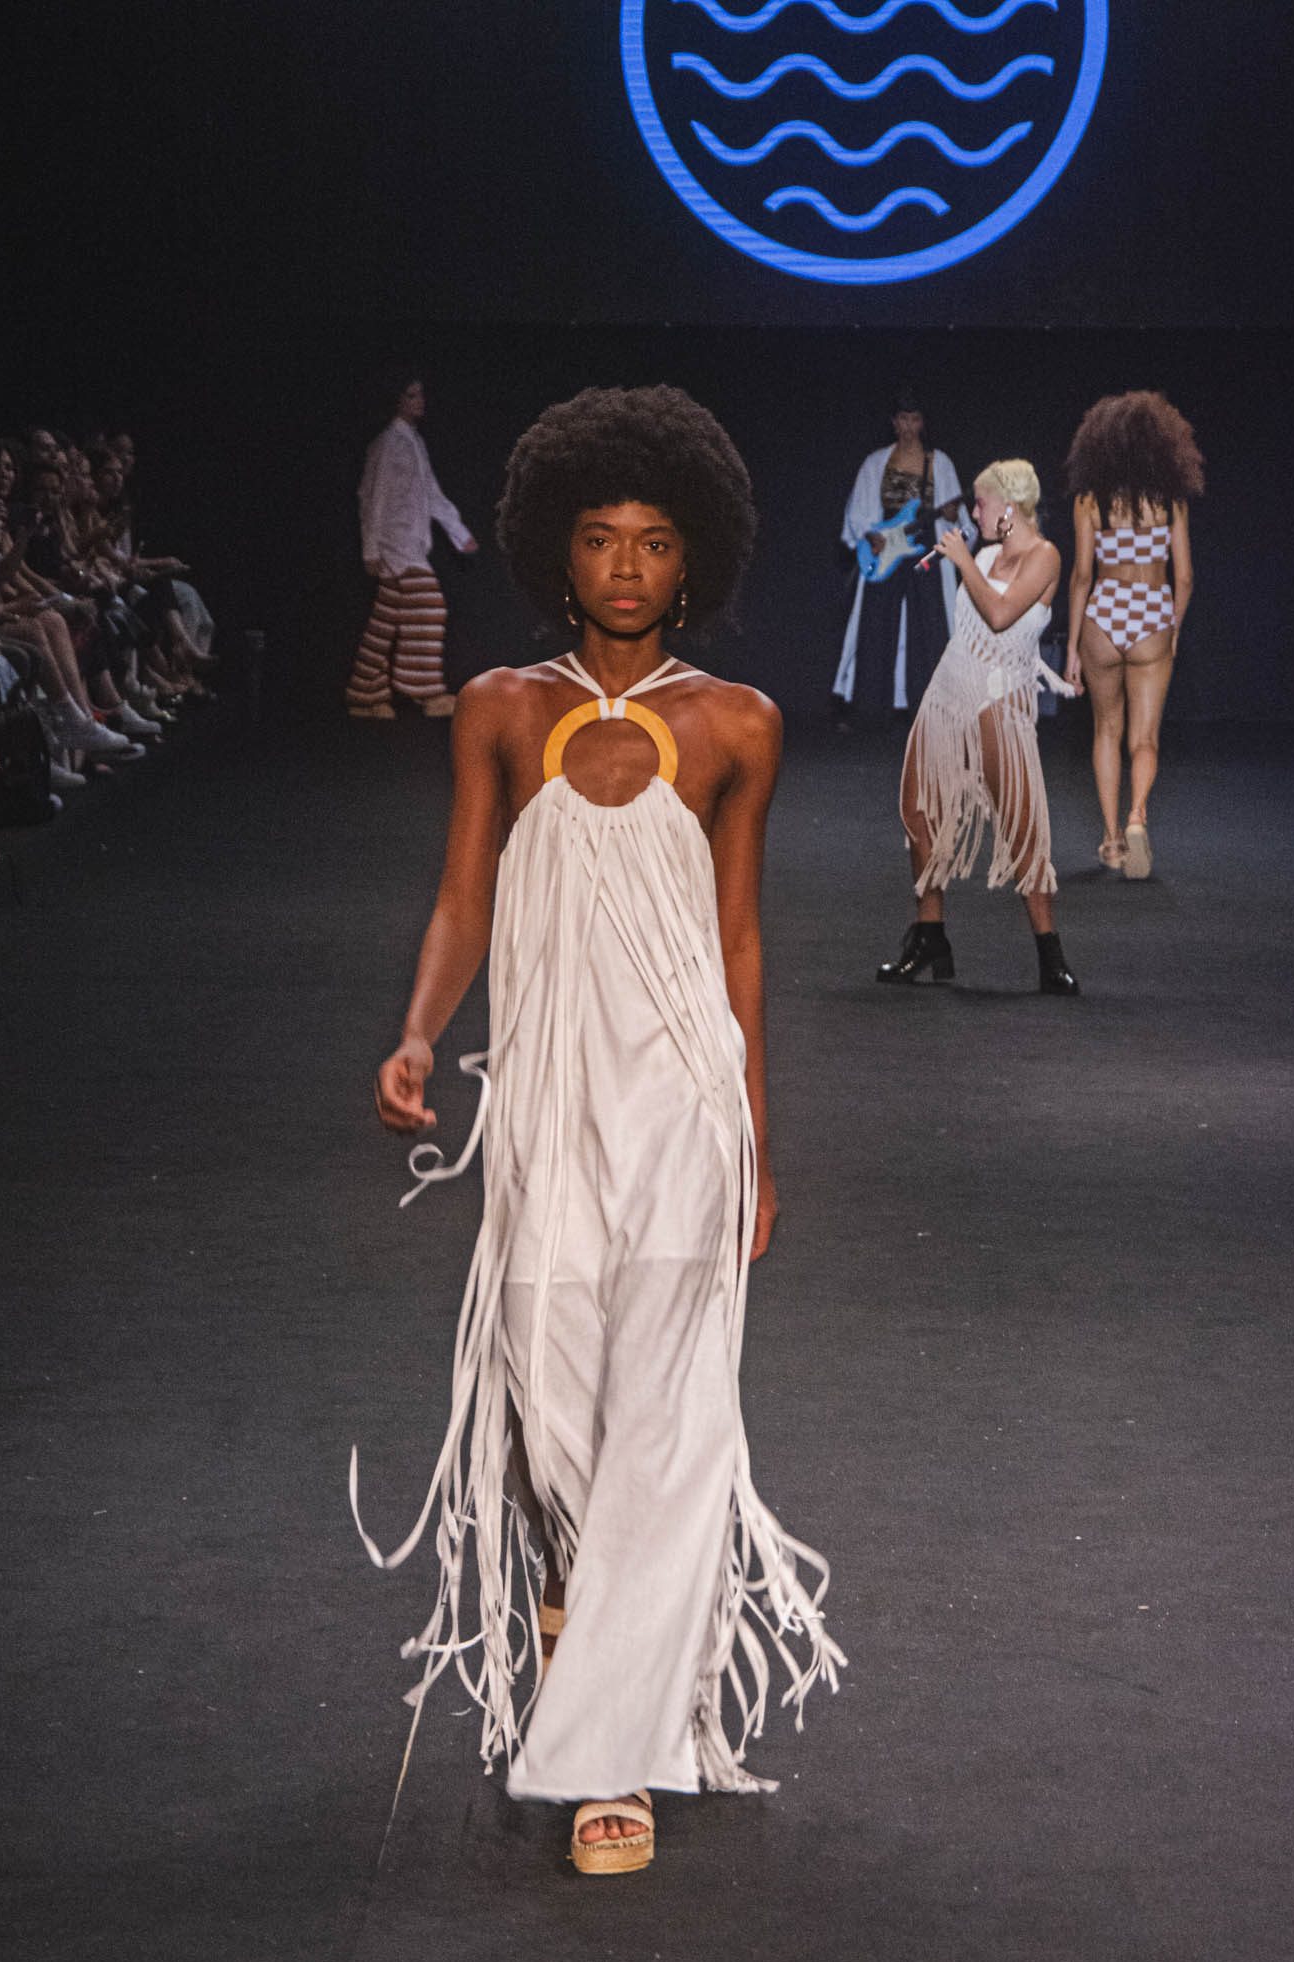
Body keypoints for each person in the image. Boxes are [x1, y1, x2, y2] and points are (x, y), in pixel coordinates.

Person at [356, 385, 843, 1875]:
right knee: (553, 1381)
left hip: (684, 1100)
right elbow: (466, 896)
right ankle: (585, 1608)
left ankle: (610, 1757)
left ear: (692, 559)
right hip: (548, 1098)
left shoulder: (738, 723)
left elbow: (740, 938)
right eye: (597, 538)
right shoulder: (501, 708)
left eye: (652, 541)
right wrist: (419, 1031)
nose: (624, 566)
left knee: (670, 1409)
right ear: (553, 552)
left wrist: (755, 1136)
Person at [877, 459, 1080, 995]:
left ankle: (1050, 953)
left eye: (982, 502)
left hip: (998, 699)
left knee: (1019, 825)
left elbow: (1000, 614)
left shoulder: (1044, 556)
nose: (973, 511)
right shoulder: (986, 553)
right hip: (950, 692)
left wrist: (963, 560)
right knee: (919, 810)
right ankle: (929, 936)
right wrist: (970, 559)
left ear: (1009, 507)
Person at [1063, 391, 1203, 877]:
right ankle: (1137, 816)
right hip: (1151, 614)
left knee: (1106, 729)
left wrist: (1072, 647)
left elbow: (1082, 576)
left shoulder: (1089, 501)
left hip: (1103, 614)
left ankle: (1111, 841)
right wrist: (1172, 626)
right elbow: (1185, 577)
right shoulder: (1170, 501)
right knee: (1144, 737)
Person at [831, 392, 975, 724]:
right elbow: (858, 511)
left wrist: (952, 516)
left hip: (926, 545)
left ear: (922, 423)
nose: (908, 427)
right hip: (887, 546)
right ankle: (869, 707)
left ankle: (935, 708)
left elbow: (959, 519)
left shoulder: (939, 463)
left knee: (930, 623)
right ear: (894, 423)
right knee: (875, 622)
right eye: (902, 419)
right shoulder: (876, 462)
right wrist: (871, 536)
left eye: (914, 419)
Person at [346, 374, 478, 721]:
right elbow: (373, 498)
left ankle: (364, 695)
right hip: (395, 543)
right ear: (396, 400)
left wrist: (459, 533)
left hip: (411, 542)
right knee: (430, 608)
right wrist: (371, 550)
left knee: (385, 621)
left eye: (420, 394)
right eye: (411, 395)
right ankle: (427, 693)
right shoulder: (388, 444)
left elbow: (431, 494)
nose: (420, 401)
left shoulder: (414, 443)